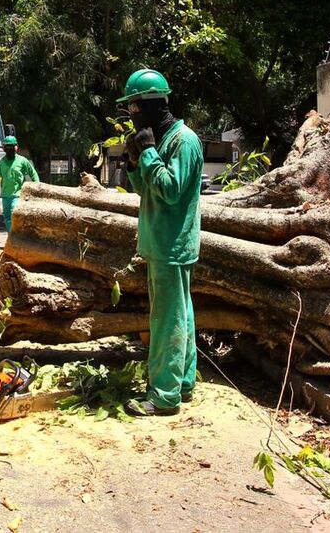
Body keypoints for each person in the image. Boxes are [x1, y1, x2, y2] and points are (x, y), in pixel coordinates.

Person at [119, 69, 203, 417]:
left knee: (166, 320)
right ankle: (182, 384)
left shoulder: (184, 141)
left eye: (134, 108)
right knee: (180, 315)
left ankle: (164, 396)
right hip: (160, 243)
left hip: (172, 244)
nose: (132, 116)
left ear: (150, 104)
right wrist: (134, 163)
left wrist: (150, 153)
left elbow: (169, 190)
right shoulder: (163, 137)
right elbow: (146, 190)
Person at [0, 135, 39, 233]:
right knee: (7, 218)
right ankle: (11, 238)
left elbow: (33, 173)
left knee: (13, 214)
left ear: (16, 147)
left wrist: (37, 185)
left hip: (18, 195)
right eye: (7, 147)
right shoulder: (0, 162)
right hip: (5, 195)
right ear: (3, 148)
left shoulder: (22, 161)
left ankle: (16, 237)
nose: (10, 149)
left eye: (12, 146)